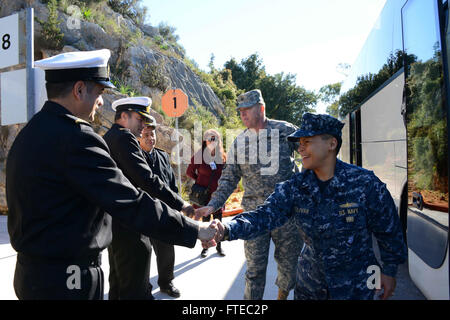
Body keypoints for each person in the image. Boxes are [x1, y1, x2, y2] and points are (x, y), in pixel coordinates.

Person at [6, 49, 217, 300]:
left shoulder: (31, 131)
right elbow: (131, 201)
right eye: (99, 93)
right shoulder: (77, 139)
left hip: (33, 274)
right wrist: (194, 230)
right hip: (67, 281)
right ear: (80, 89)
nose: (101, 102)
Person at [206, 112, 408, 300]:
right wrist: (226, 229)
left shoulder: (365, 183)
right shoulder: (295, 187)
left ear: (332, 143)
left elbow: (388, 230)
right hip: (310, 284)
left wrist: (389, 271)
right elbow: (263, 216)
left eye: (307, 141)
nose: (300, 148)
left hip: (357, 285)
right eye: (299, 143)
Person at [195, 89, 303, 300]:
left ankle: (282, 297)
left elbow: (310, 153)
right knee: (254, 271)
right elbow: (229, 178)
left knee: (289, 267)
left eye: (247, 109)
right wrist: (214, 204)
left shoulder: (284, 130)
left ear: (261, 108)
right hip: (254, 216)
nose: (243, 114)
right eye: (240, 111)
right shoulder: (239, 143)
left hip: (286, 214)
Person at [104, 96, 196, 299]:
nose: (144, 126)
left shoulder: (109, 136)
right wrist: (181, 205)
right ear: (125, 116)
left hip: (115, 223)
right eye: (140, 119)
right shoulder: (124, 138)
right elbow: (147, 179)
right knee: (136, 286)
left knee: (118, 281)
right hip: (131, 224)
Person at [138, 118, 181, 298]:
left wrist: (177, 207)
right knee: (143, 254)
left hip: (164, 213)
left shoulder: (163, 155)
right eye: (146, 135)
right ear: (139, 138)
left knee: (166, 251)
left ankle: (166, 282)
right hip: (143, 213)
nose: (150, 138)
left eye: (152, 134)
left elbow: (171, 184)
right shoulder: (133, 156)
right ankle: (144, 287)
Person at [186, 129, 226, 258]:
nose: (210, 141)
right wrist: (199, 182)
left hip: (218, 195)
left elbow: (227, 175)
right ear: (205, 141)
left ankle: (219, 246)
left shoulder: (222, 156)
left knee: (219, 221)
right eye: (208, 139)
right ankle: (206, 247)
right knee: (206, 221)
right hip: (204, 195)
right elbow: (189, 171)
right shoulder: (199, 155)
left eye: (214, 138)